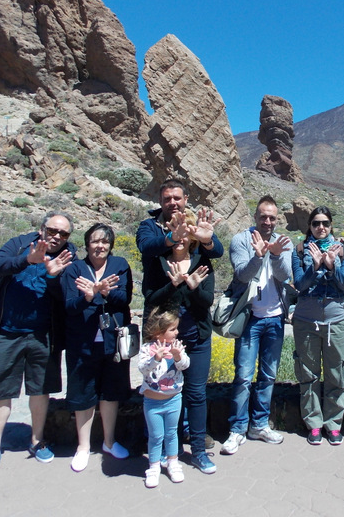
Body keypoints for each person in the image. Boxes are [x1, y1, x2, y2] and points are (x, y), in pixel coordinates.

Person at [0, 211, 76, 484]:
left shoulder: (69, 256)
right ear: (42, 228)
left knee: (40, 389)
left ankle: (37, 440)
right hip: (7, 332)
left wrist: (53, 277)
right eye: (53, 230)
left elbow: (66, 295)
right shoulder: (19, 244)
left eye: (63, 234)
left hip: (44, 334)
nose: (57, 237)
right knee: (0, 389)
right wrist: (27, 260)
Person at [136, 178, 222, 475]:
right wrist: (172, 239)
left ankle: (197, 449)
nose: (172, 202)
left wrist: (206, 238)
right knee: (158, 392)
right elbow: (147, 248)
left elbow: (217, 250)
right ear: (161, 200)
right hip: (161, 337)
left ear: (186, 199)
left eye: (177, 197)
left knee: (196, 394)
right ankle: (156, 454)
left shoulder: (201, 258)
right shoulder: (154, 239)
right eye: (167, 197)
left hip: (195, 336)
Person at [220, 195, 293, 455]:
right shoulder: (241, 240)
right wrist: (258, 256)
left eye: (272, 217)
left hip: (274, 317)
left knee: (268, 375)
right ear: (255, 217)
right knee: (243, 375)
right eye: (263, 216)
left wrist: (274, 255)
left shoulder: (285, 242)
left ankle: (259, 424)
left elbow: (286, 276)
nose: (268, 221)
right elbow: (241, 274)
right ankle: (237, 428)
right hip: (250, 318)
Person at [61, 223, 133, 472]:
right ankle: (82, 447)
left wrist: (105, 292)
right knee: (83, 394)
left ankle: (109, 442)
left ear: (111, 245)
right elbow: (69, 306)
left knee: (110, 393)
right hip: (82, 342)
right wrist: (89, 297)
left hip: (113, 342)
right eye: (95, 241)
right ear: (87, 243)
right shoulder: (74, 269)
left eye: (105, 241)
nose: (100, 246)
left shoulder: (120, 265)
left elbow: (125, 299)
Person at [291, 206, 344, 445]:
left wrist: (331, 265)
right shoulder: (299, 250)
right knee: (308, 374)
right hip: (307, 320)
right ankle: (314, 423)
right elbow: (299, 284)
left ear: (331, 225)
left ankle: (334, 423)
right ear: (310, 226)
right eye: (316, 223)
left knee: (337, 373)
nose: (321, 228)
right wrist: (314, 267)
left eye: (325, 223)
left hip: (336, 321)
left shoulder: (342, 251)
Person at [138, 308, 190, 488]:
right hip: (152, 402)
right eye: (173, 329)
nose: (177, 332)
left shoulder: (177, 347)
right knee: (156, 435)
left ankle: (173, 462)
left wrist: (177, 356)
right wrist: (156, 358)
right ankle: (153, 467)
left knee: (172, 433)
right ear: (159, 332)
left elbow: (185, 365)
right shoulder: (147, 349)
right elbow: (143, 368)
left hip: (173, 400)